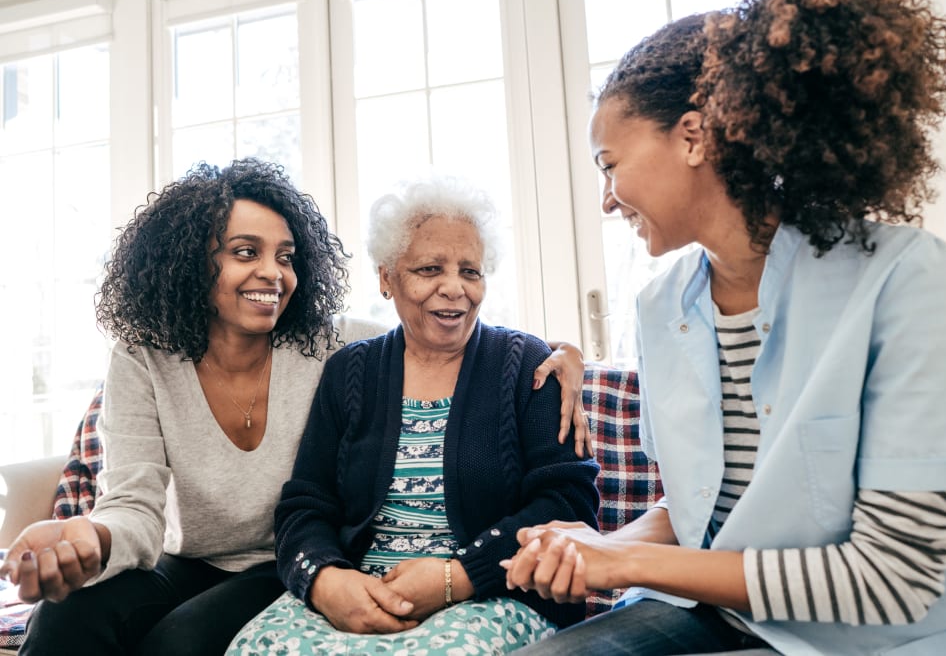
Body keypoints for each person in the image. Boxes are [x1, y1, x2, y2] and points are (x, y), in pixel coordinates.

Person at [504, 0, 946, 656]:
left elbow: (894, 578)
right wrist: (598, 546)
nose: (608, 198)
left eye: (609, 164)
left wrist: (627, 562)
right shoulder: (657, 305)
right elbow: (696, 505)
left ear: (692, 136)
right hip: (724, 614)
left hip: (881, 634)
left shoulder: (903, 275)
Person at [0, 158, 589, 655]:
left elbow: (445, 335)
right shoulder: (146, 359)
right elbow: (134, 506)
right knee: (63, 620)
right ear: (188, 263)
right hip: (193, 557)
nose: (271, 273)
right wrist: (91, 536)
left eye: (285, 256)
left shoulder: (332, 345)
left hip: (277, 565)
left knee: (179, 644)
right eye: (245, 251)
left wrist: (567, 353)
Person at [227, 174, 601, 655]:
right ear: (387, 278)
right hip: (363, 591)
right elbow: (306, 504)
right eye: (429, 269)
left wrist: (457, 577)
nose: (454, 289)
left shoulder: (527, 364)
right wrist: (325, 580)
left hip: (492, 594)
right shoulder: (350, 371)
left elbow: (568, 504)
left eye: (471, 271)